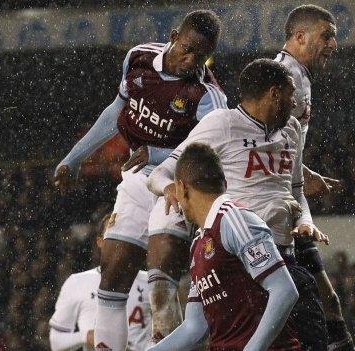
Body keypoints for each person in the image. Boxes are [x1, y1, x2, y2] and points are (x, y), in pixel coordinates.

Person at [53, 10, 226, 350]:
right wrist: (72, 159)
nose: (190, 61)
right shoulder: (138, 57)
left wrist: (158, 154)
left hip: (178, 187)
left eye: (200, 56)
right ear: (174, 35)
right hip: (134, 182)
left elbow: (212, 149)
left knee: (160, 279)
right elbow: (117, 111)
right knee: (112, 276)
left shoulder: (206, 95)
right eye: (187, 49)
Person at [147, 58, 329, 350]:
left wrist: (305, 220)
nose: (295, 102)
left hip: (281, 256)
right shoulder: (223, 124)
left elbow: (296, 191)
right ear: (274, 93)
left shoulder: (291, 130)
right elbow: (160, 173)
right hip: (235, 255)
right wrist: (169, 188)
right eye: (290, 93)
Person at [149, 142, 300, 350]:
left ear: (182, 188)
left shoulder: (234, 219)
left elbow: (284, 290)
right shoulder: (198, 245)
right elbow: (195, 327)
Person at [275, 5, 355, 350]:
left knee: (328, 303)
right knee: (305, 314)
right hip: (273, 212)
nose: (334, 43)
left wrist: (303, 172)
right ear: (300, 36)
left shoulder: (298, 77)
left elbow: (278, 149)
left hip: (292, 203)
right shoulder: (282, 80)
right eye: (327, 35)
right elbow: (257, 147)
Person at [49, 214, 151, 351]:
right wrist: (85, 336)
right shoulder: (77, 282)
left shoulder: (150, 282)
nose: (118, 240)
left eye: (124, 233)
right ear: (100, 241)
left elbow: (168, 331)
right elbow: (56, 341)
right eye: (113, 233)